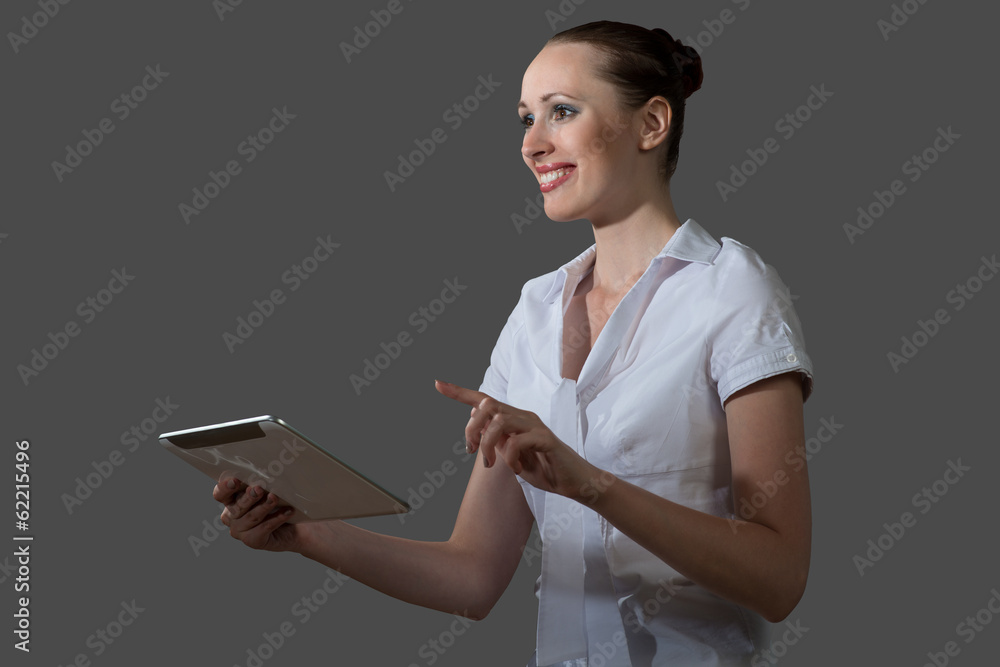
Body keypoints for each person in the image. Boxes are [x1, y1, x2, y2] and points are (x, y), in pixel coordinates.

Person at [214, 20, 814, 667]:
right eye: (525, 118)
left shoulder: (733, 290)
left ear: (651, 123)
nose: (533, 144)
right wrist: (303, 532)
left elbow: (779, 578)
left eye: (562, 111)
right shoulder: (535, 309)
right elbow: (472, 575)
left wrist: (589, 484)